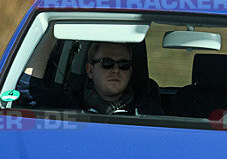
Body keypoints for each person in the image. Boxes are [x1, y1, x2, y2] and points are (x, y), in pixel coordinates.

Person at [15, 41, 164, 115]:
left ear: (130, 71)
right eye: (107, 63)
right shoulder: (67, 105)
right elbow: (27, 90)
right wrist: (50, 33)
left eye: (123, 64)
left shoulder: (149, 112)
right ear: (90, 70)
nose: (116, 70)